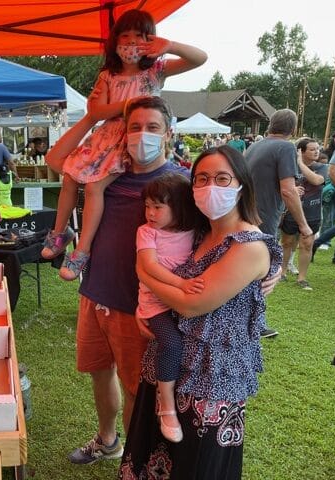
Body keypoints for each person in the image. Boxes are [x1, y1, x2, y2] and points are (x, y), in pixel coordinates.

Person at [119, 145, 282, 479]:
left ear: (242, 184)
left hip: (212, 377)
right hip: (168, 362)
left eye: (222, 178)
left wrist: (144, 277)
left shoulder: (248, 246)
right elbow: (154, 262)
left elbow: (190, 304)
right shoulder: (200, 233)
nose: (211, 187)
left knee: (196, 464)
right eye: (202, 179)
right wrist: (145, 305)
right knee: (156, 456)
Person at [66, 96, 189, 465]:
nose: (142, 136)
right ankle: (108, 441)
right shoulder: (105, 176)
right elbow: (59, 161)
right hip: (95, 292)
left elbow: (222, 232)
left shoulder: (180, 183)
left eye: (152, 128)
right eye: (135, 127)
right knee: (99, 373)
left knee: (137, 387)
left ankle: (136, 461)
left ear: (167, 134)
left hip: (138, 306)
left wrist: (268, 261)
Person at [43, 9, 207, 280]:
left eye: (139, 37)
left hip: (127, 139)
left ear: (150, 41)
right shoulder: (108, 75)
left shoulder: (156, 71)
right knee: (70, 177)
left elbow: (200, 58)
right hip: (106, 136)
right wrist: (128, 104)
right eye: (125, 36)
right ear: (115, 40)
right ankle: (60, 232)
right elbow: (96, 112)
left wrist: (170, 46)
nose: (131, 43)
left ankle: (82, 250)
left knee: (95, 186)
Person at [136, 173, 203, 443]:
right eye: (147, 206)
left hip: (185, 303)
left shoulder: (196, 231)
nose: (150, 213)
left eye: (158, 206)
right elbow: (149, 266)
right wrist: (181, 284)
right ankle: (167, 407)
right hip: (156, 304)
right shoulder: (146, 232)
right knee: (172, 344)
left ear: (179, 206)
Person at [246, 108, 312, 338]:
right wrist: (304, 226)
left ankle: (250, 321)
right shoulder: (285, 147)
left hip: (246, 215)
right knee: (262, 272)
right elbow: (287, 191)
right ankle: (256, 324)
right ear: (292, 130)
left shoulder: (256, 145)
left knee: (249, 271)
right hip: (265, 218)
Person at [279, 138, 326, 290]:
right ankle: (282, 272)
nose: (316, 151)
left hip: (312, 213)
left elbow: (317, 180)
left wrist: (300, 163)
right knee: (287, 242)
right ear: (301, 151)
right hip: (292, 212)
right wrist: (294, 191)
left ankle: (302, 278)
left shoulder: (321, 167)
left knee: (306, 245)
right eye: (312, 149)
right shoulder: (289, 167)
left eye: (317, 148)